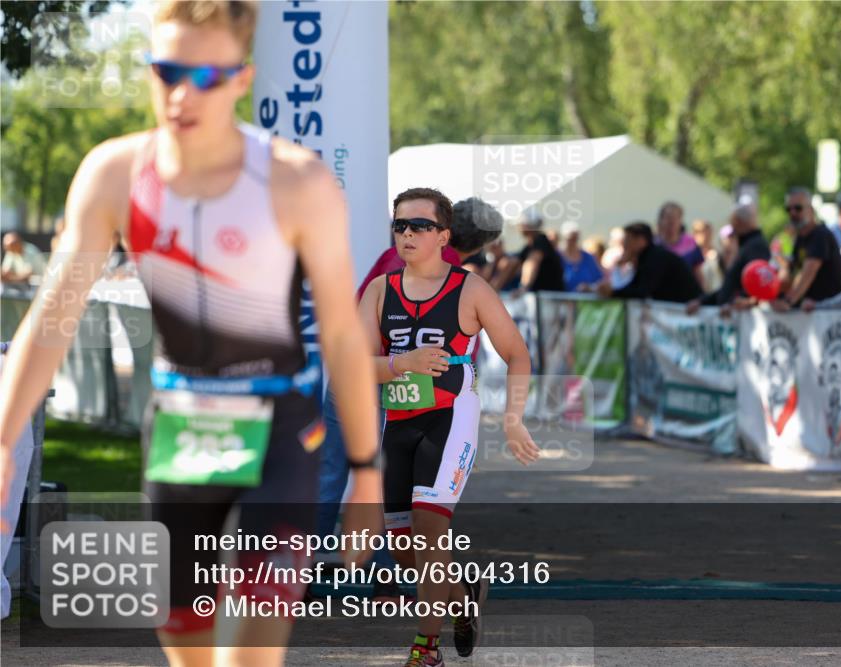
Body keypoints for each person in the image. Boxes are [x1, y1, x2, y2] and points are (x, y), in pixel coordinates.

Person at [0, 4, 382, 667]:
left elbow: (346, 338)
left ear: (242, 79)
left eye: (206, 75)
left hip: (282, 425)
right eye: (167, 71)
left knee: (251, 650)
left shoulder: (298, 180)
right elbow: (55, 311)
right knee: (186, 639)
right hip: (182, 422)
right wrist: (3, 438)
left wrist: (367, 474)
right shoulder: (115, 173)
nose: (182, 95)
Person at [358, 187, 540, 666]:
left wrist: (513, 418)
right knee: (402, 547)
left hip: (450, 419)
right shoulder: (380, 291)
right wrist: (403, 362)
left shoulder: (471, 289)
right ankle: (462, 600)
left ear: (444, 236)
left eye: (419, 226)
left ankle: (425, 649)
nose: (407, 234)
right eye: (400, 225)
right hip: (397, 422)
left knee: (428, 531)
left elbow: (517, 354)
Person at [316, 196, 503, 598]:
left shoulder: (397, 250)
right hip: (395, 381)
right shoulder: (445, 271)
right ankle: (390, 575)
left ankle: (298, 575)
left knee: (330, 475)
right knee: (392, 482)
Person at [772, 187, 841, 311]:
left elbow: (807, 273)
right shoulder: (799, 239)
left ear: (811, 210)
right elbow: (793, 276)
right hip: (813, 312)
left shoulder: (820, 235)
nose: (793, 213)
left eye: (798, 208)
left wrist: (788, 302)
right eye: (788, 209)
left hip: (830, 313)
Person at [687, 204, 770, 314]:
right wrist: (702, 301)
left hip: (743, 317)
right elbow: (731, 284)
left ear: (739, 221)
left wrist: (740, 300)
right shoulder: (747, 245)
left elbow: (756, 283)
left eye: (733, 222)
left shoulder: (755, 246)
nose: (733, 226)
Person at [598, 222, 702, 302]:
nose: (625, 245)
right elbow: (635, 285)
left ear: (641, 240)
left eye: (628, 240)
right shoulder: (647, 257)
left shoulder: (655, 258)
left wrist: (614, 293)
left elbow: (642, 291)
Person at [656, 201, 705, 289]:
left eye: (676, 218)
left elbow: (698, 273)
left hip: (685, 297)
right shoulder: (653, 244)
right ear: (661, 220)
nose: (671, 222)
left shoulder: (691, 243)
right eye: (668, 217)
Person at [559, 222, 603, 292]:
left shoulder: (588, 258)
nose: (572, 242)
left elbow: (599, 280)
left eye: (575, 238)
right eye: (570, 238)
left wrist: (590, 287)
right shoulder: (557, 257)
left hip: (585, 301)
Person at [690, 219, 723, 293]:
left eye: (708, 232)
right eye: (701, 232)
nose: (705, 235)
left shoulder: (717, 253)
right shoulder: (691, 255)